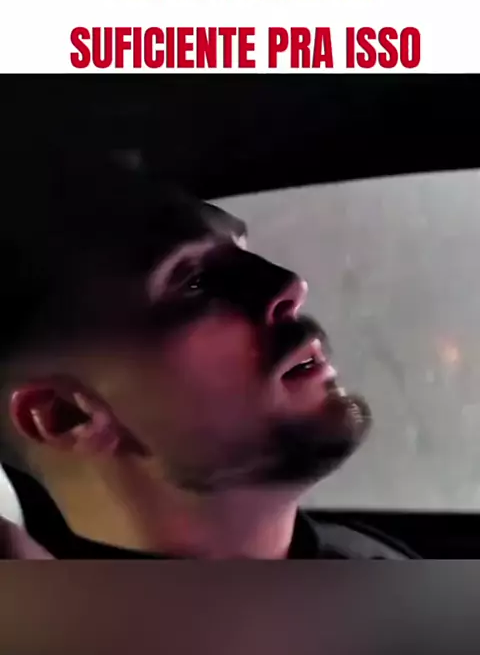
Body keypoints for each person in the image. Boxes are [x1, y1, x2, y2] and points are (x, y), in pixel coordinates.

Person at [0, 148, 412, 559]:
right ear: (66, 416)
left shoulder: (373, 556)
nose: (289, 284)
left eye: (242, 248)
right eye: (193, 280)